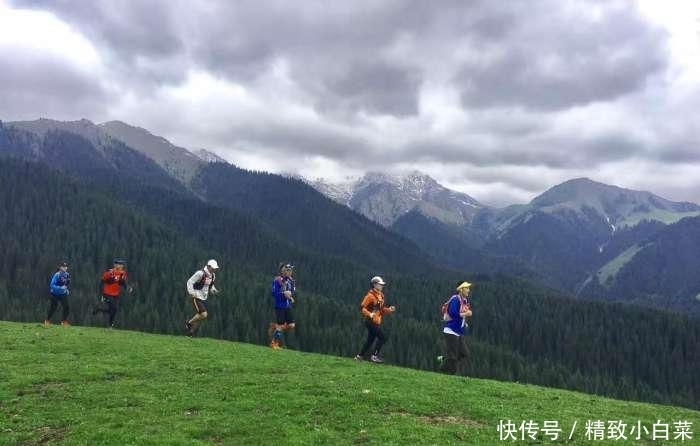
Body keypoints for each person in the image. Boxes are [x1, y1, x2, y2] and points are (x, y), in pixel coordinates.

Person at [355, 276, 395, 363]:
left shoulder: (381, 296)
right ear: (374, 285)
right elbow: (361, 308)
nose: (382, 286)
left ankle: (359, 356)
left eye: (382, 285)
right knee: (383, 338)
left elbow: (381, 310)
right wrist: (369, 314)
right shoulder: (369, 296)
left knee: (370, 341)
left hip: (376, 322)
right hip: (370, 321)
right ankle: (374, 356)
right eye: (380, 284)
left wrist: (389, 310)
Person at [438, 281, 473, 375]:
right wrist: (466, 314)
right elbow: (453, 313)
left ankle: (445, 360)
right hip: (451, 331)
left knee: (463, 353)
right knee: (453, 356)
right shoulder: (455, 299)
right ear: (461, 289)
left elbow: (460, 315)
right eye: (466, 288)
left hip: (458, 332)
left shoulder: (464, 301)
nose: (468, 290)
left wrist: (464, 322)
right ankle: (448, 374)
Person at [185, 259, 220, 337]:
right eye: (213, 268)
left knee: (200, 316)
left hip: (204, 297)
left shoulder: (213, 276)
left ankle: (190, 333)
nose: (214, 269)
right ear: (208, 266)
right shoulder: (200, 273)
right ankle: (189, 323)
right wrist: (191, 293)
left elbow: (210, 286)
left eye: (215, 268)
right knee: (203, 314)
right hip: (196, 296)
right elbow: (190, 282)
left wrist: (214, 290)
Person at [94, 258, 133, 328]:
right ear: (115, 265)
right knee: (113, 308)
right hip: (107, 293)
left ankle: (101, 312)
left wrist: (128, 287)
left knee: (114, 310)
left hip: (116, 294)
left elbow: (122, 282)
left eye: (122, 264)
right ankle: (110, 325)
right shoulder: (109, 273)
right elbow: (102, 282)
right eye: (119, 264)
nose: (121, 266)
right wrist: (101, 294)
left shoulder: (123, 273)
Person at [269, 263, 297, 349]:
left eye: (291, 270)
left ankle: (277, 327)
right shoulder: (277, 280)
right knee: (281, 325)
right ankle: (274, 343)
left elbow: (292, 291)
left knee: (292, 325)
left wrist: (289, 295)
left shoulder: (291, 281)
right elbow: (274, 293)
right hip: (280, 306)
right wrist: (283, 294)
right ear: (283, 271)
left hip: (287, 306)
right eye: (288, 270)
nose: (290, 272)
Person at [45, 261, 71, 326]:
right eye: (63, 267)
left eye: (66, 267)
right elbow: (52, 285)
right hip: (55, 294)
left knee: (66, 307)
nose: (65, 268)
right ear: (60, 267)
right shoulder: (57, 275)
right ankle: (47, 320)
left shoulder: (67, 275)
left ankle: (63, 321)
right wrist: (60, 288)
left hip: (63, 294)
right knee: (53, 308)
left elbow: (66, 284)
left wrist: (66, 289)